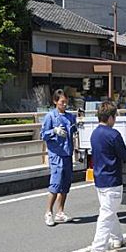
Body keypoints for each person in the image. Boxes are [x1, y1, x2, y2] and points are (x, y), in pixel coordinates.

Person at [90, 101, 126, 252]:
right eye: (114, 117)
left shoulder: (95, 133)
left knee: (109, 211)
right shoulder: (113, 134)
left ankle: (118, 239)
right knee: (107, 214)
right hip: (112, 179)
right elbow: (125, 155)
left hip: (99, 179)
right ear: (109, 118)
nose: (115, 120)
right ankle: (98, 247)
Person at [40, 89, 77, 226]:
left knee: (65, 184)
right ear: (55, 101)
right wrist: (54, 131)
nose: (65, 105)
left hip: (67, 153)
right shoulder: (50, 116)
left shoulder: (70, 117)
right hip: (56, 154)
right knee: (56, 182)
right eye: (62, 102)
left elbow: (75, 131)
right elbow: (42, 134)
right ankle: (48, 212)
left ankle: (60, 212)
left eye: (66, 102)